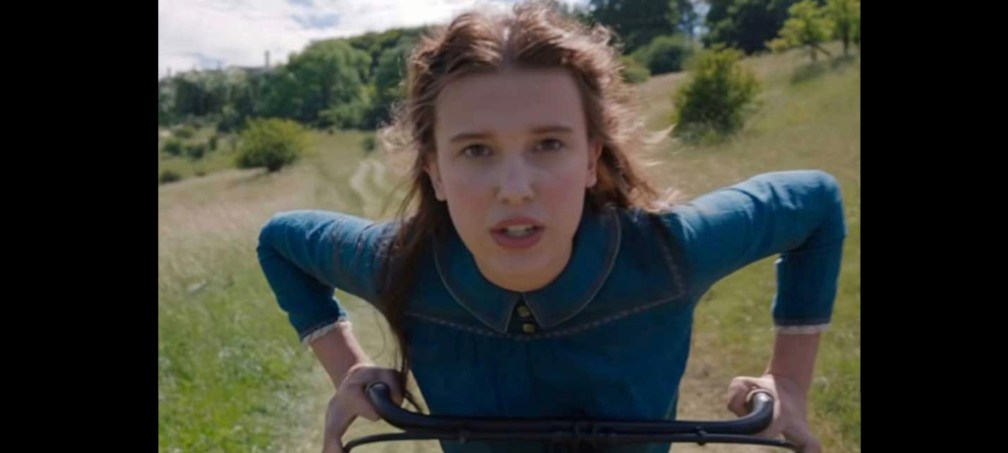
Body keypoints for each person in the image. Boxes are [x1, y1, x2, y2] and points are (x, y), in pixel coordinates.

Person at [256, 2, 846, 452]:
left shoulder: (668, 253)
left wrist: (789, 383)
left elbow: (815, 203)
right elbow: (281, 242)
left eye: (548, 144)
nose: (515, 187)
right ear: (434, 170)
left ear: (591, 158)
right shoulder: (397, 264)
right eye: (476, 150)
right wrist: (349, 369)